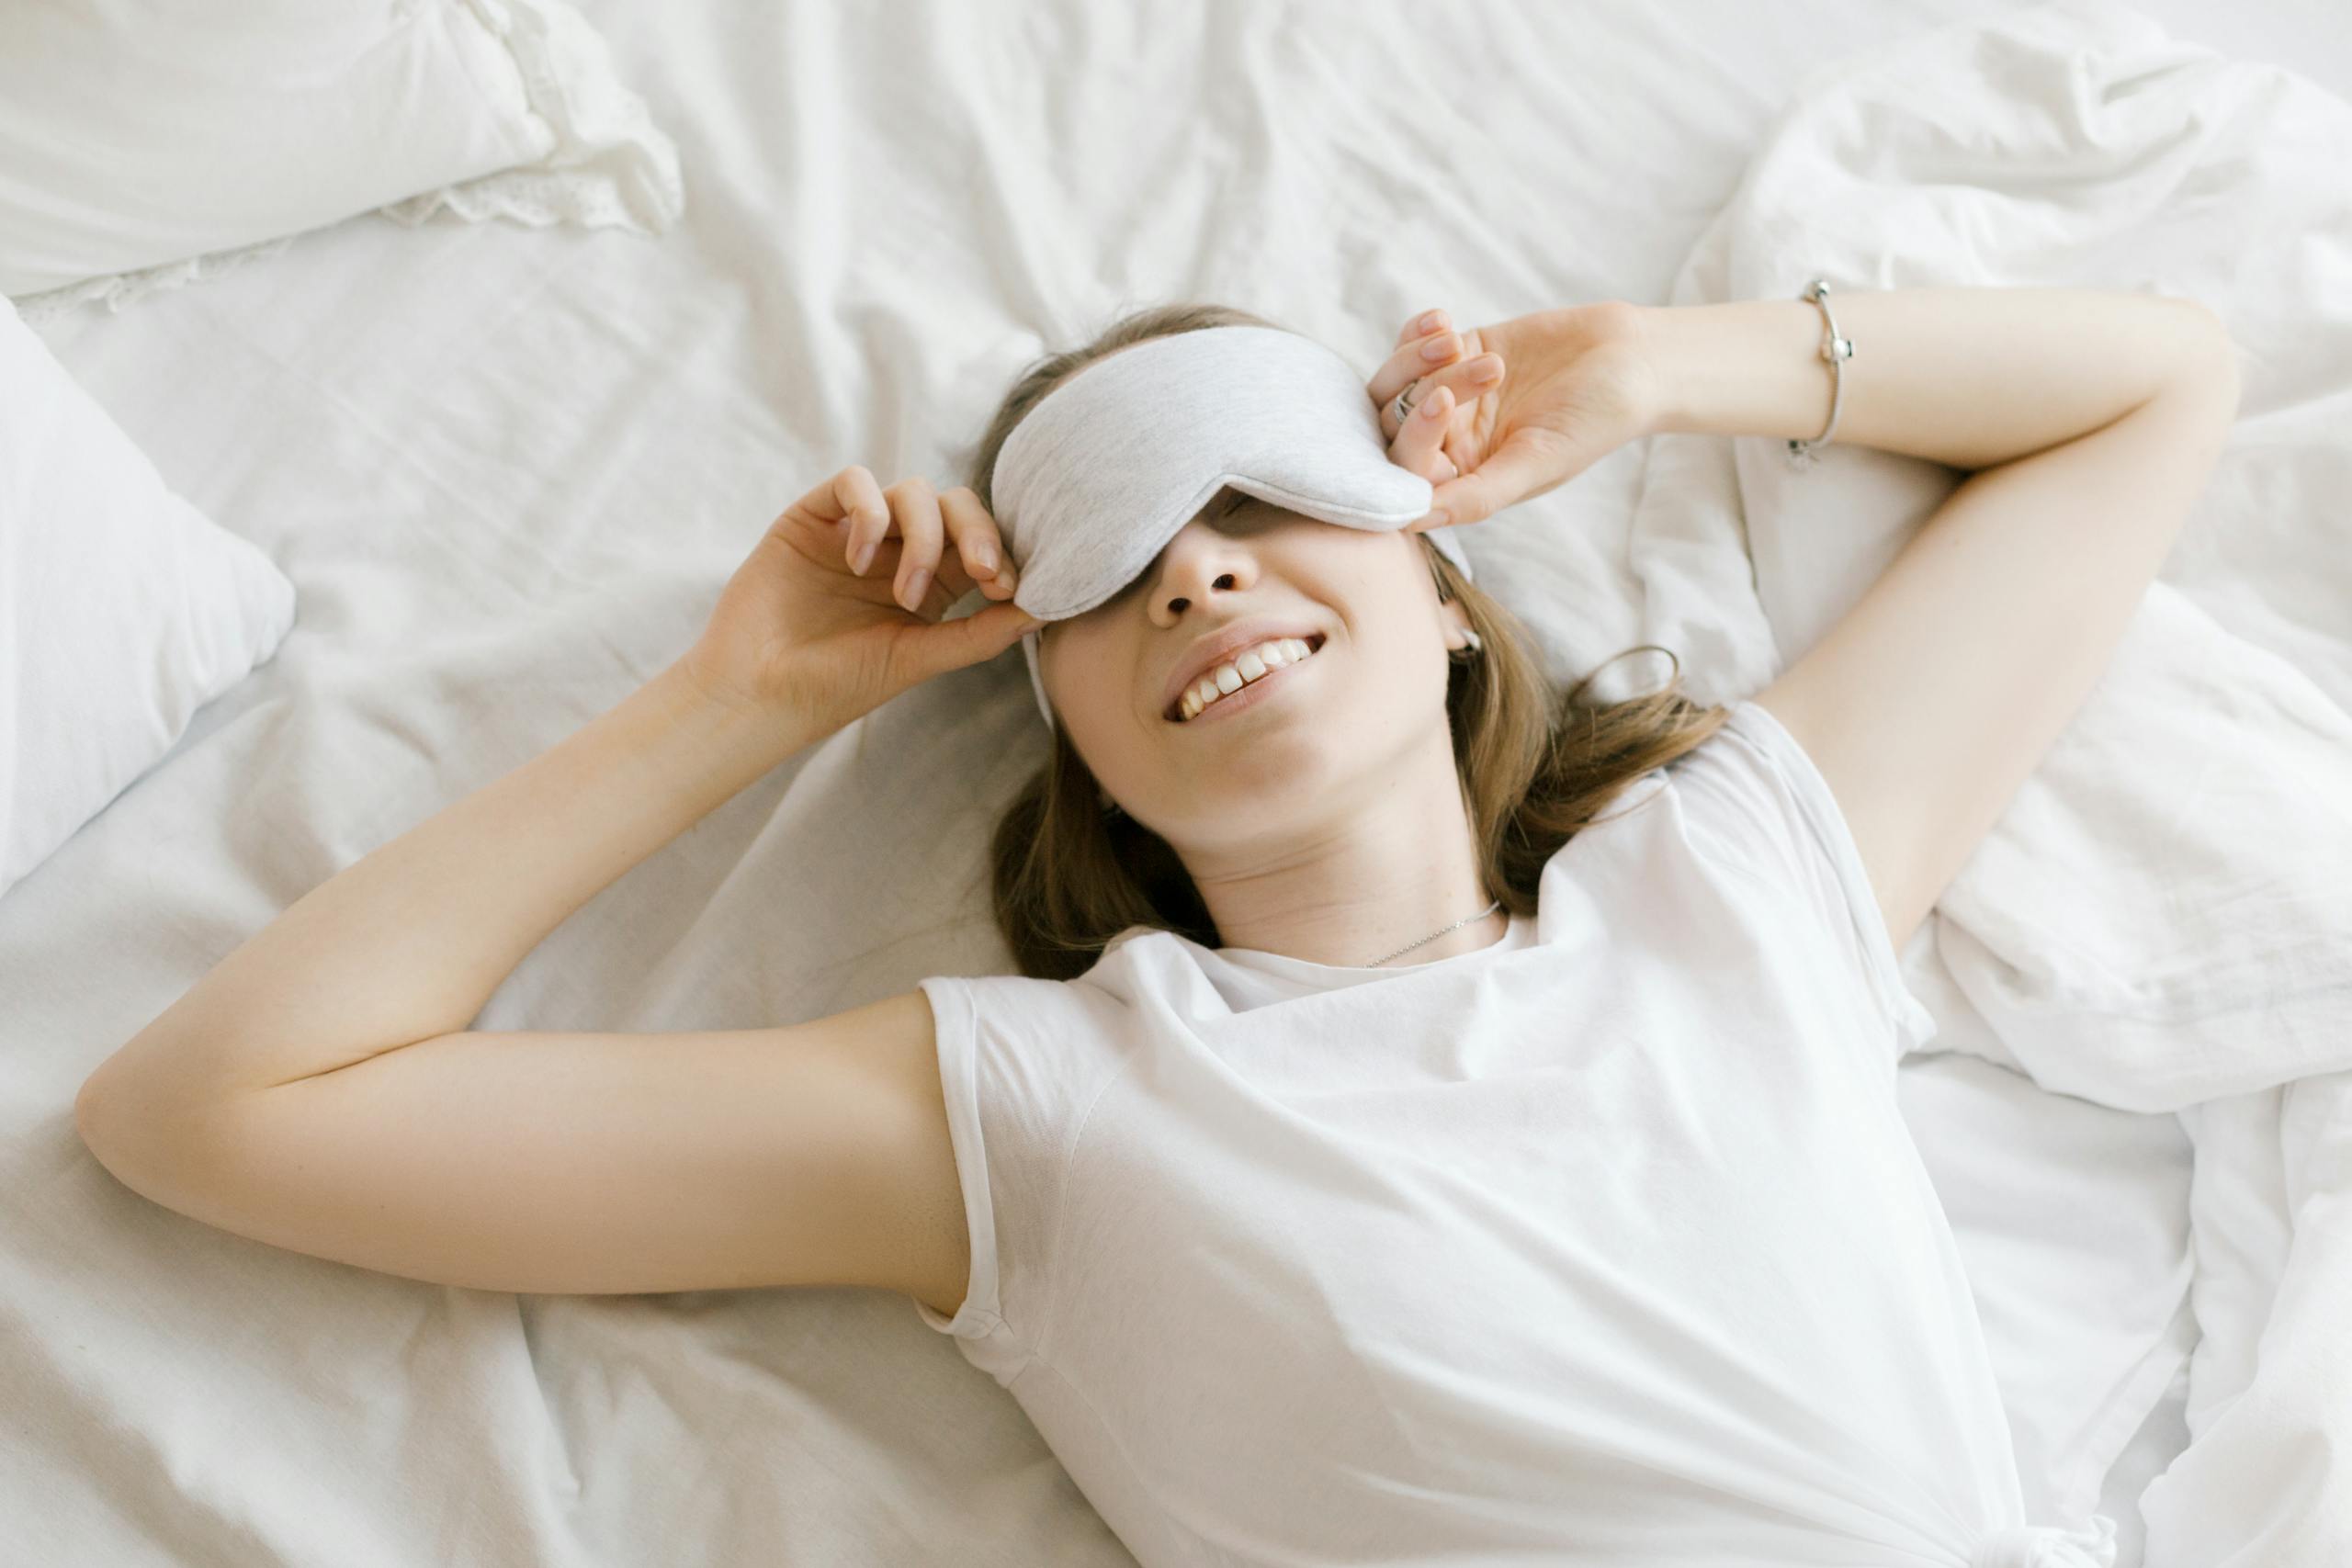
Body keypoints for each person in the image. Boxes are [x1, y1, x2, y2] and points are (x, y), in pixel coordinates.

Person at [76, 286, 2240, 1566]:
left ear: (1448, 593)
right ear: (1070, 734)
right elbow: (210, 1106)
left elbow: (2152, 381)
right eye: (1105, 569)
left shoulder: (1732, 875)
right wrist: (744, 698)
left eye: (1265, 501)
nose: (1196, 574)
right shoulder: (1058, 1100)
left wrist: (1652, 366)